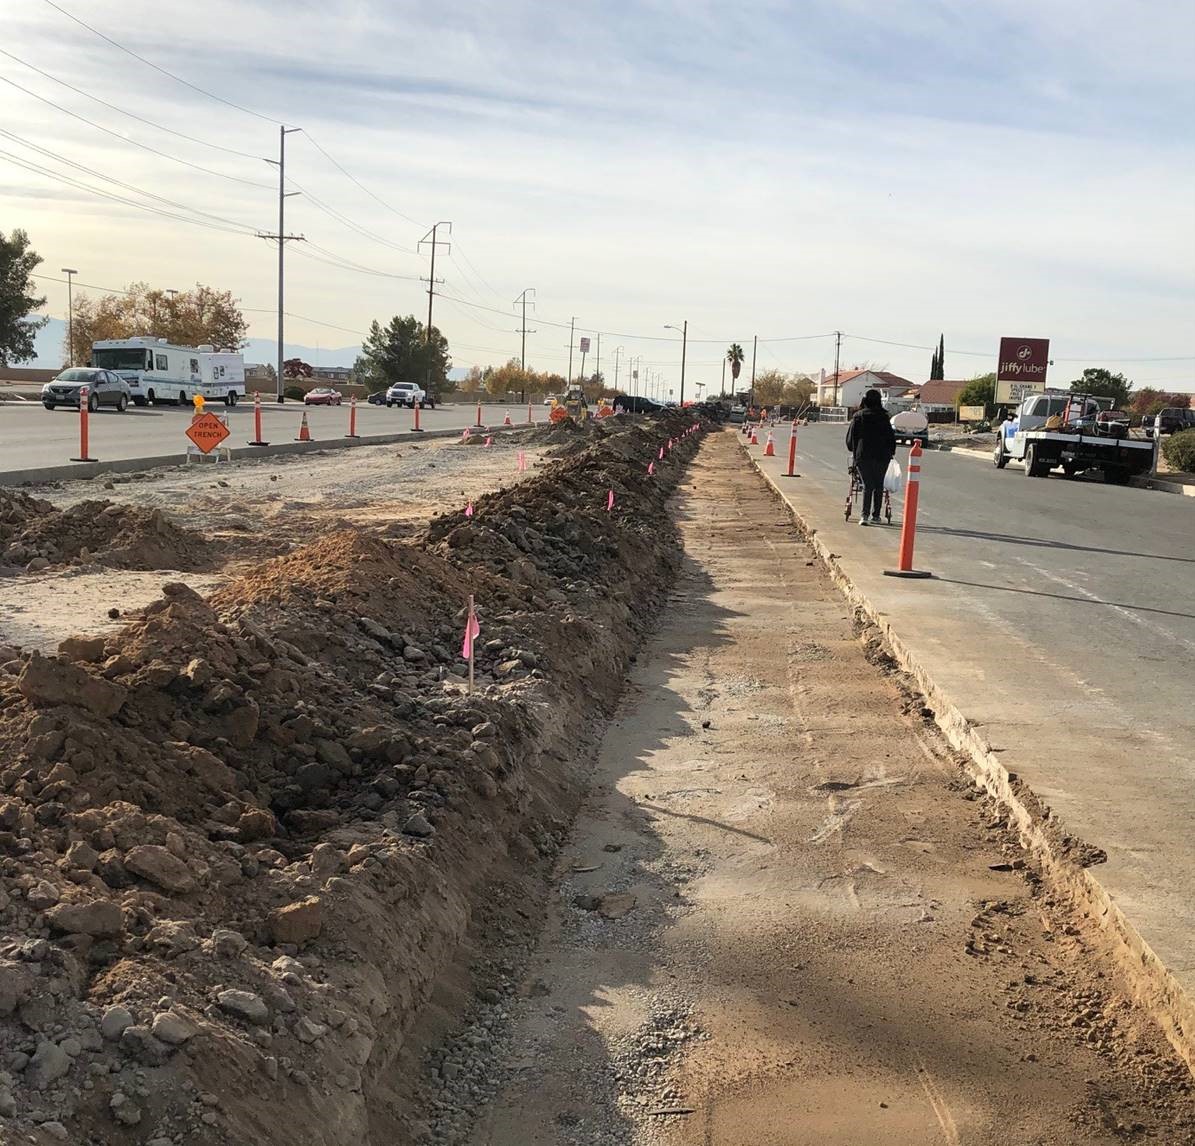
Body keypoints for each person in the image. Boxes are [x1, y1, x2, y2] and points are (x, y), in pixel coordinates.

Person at [845, 389, 896, 525]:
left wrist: (854, 451)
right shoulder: (885, 417)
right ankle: (876, 515)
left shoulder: (858, 416)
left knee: (867, 484)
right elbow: (891, 438)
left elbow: (850, 440)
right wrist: (891, 453)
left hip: (863, 455)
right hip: (882, 456)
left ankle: (864, 515)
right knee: (879, 484)